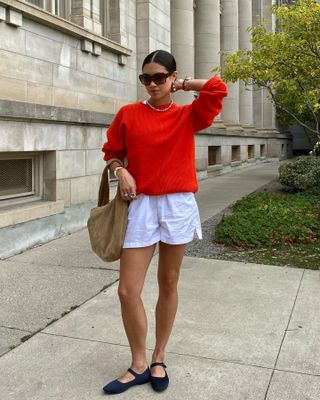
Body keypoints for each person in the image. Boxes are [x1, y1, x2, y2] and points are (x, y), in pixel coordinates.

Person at [101, 49, 227, 394]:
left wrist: (183, 85)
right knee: (128, 290)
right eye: (146, 78)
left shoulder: (188, 115)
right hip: (140, 205)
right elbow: (111, 151)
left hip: (176, 205)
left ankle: (158, 357)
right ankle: (138, 363)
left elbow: (217, 88)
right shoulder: (128, 114)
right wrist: (121, 170)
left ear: (172, 77)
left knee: (168, 283)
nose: (152, 84)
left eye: (160, 77)